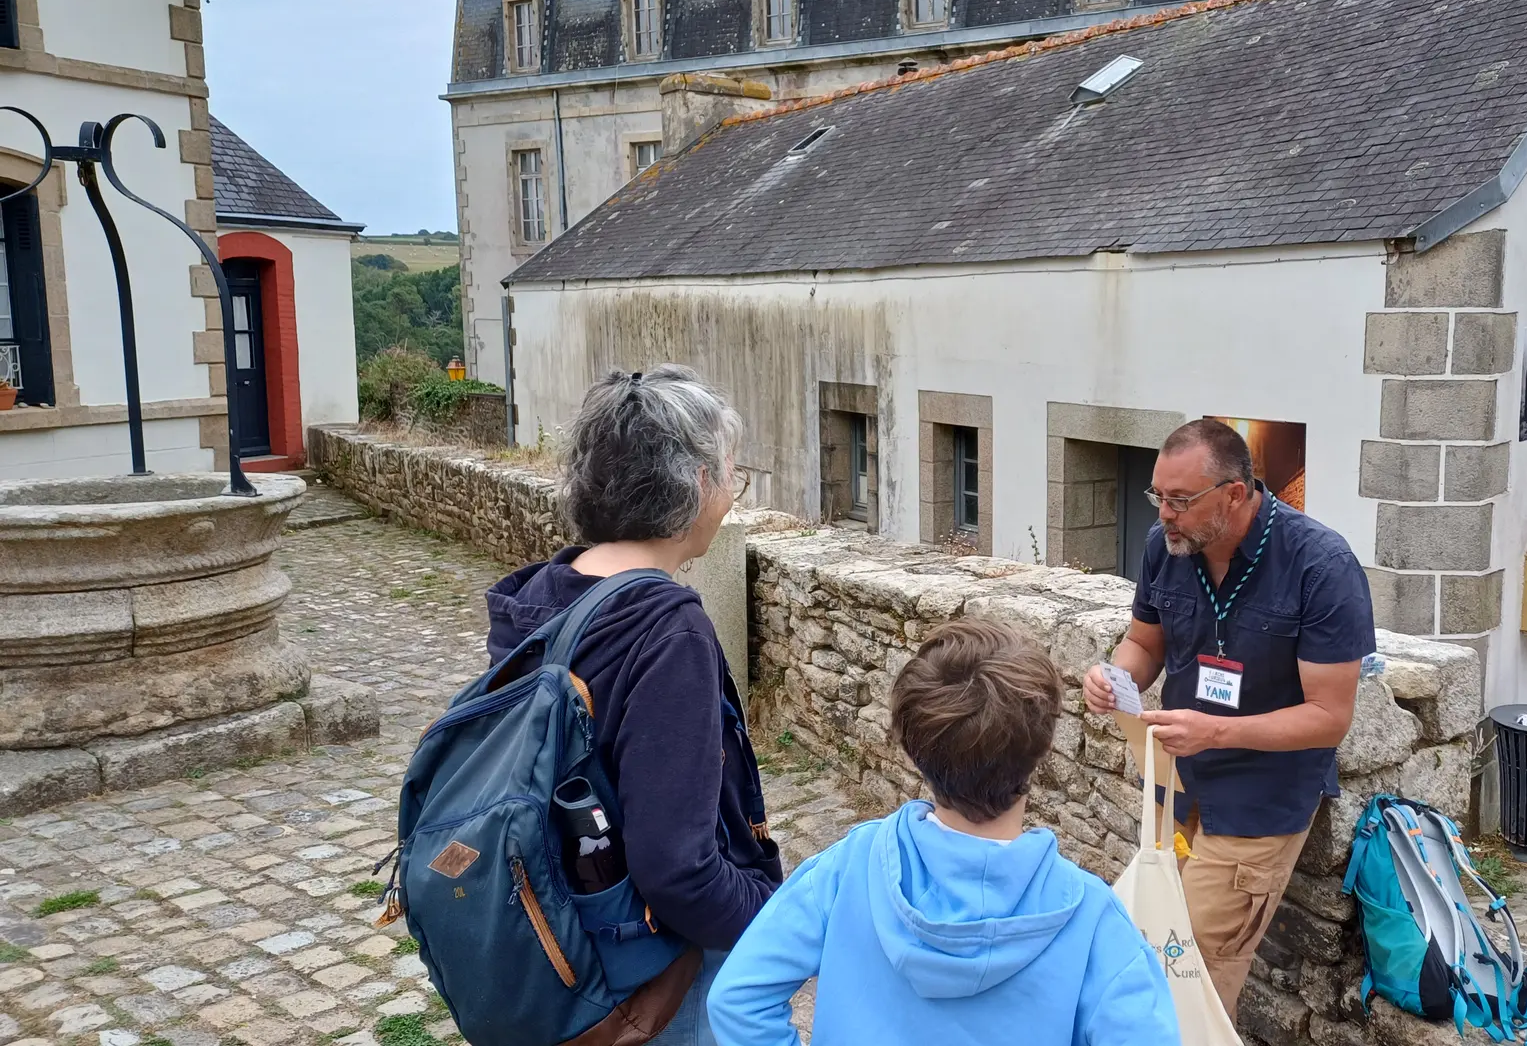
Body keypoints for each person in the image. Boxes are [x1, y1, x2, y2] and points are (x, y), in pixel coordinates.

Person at [705, 619, 1179, 1046]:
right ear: (1044, 747)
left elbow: (737, 999)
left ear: (912, 747)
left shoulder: (851, 865)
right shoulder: (1092, 919)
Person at [486, 366, 781, 1045]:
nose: (732, 492)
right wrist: (778, 920)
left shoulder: (542, 596)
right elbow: (678, 869)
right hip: (647, 970)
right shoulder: (666, 627)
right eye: (733, 473)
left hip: (561, 940)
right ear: (699, 482)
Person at [1082, 419, 1374, 1019]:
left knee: (1196, 975)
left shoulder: (1320, 564)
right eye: (1158, 497)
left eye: (1181, 500)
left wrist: (1215, 731)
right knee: (1151, 948)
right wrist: (1115, 678)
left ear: (1236, 493)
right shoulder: (1167, 547)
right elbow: (1144, 644)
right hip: (1177, 788)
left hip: (1260, 801)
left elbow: (1329, 717)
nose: (1165, 513)